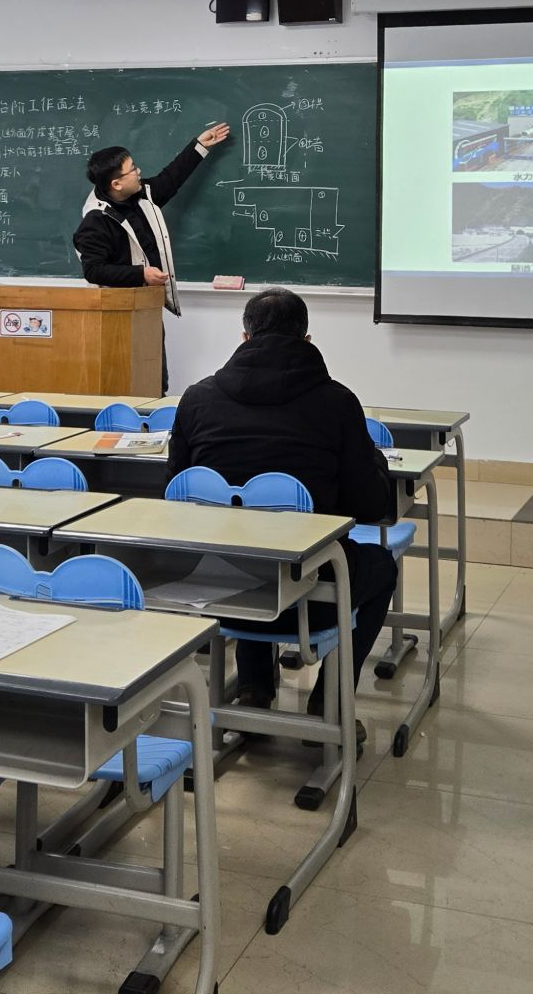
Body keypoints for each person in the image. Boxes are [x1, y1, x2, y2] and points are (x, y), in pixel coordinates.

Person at [166, 288, 400, 743]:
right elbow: (372, 508)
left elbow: (173, 494)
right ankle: (329, 704)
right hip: (312, 594)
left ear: (244, 337)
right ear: (307, 340)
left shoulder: (196, 399)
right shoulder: (337, 403)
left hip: (216, 588)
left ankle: (254, 689)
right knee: (381, 567)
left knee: (247, 542)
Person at [75, 122, 229, 388]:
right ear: (116, 184)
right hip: (117, 313)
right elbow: (94, 270)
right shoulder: (96, 221)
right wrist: (141, 274)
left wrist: (199, 146)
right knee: (126, 381)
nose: (139, 171)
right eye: (132, 169)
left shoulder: (140, 194)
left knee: (155, 379)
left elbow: (170, 179)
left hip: (145, 306)